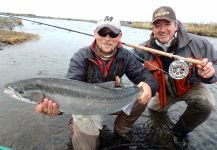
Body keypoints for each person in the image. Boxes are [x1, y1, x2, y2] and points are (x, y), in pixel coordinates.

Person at [35, 16, 158, 150]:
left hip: (114, 100)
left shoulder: (126, 56)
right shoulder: (81, 56)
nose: (107, 38)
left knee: (141, 95)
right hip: (85, 106)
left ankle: (121, 129)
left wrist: (148, 86)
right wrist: (59, 108)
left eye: (113, 33)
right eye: (102, 32)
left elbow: (147, 77)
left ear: (119, 36)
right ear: (95, 34)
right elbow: (70, 88)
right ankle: (78, 125)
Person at [132, 6, 217, 150]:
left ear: (176, 25)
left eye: (167, 24)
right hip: (163, 92)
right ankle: (159, 130)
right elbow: (128, 65)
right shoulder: (142, 49)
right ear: (152, 28)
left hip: (191, 87)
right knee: (153, 111)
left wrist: (211, 73)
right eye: (157, 25)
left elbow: (216, 63)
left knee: (206, 104)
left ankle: (179, 133)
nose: (162, 29)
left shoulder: (200, 44)